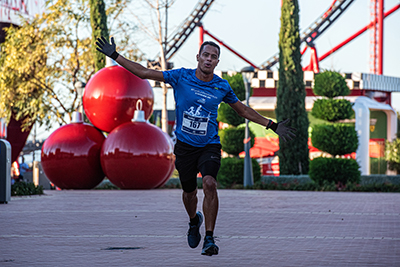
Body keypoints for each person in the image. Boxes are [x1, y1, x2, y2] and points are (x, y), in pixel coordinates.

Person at [96, 37, 296, 256]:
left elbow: (242, 110)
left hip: (209, 145)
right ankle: (194, 220)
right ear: (198, 57)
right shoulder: (180, 76)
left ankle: (209, 238)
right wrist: (115, 56)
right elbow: (144, 73)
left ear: (217, 62)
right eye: (206, 55)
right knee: (189, 193)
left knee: (210, 183)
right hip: (185, 147)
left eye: (213, 57)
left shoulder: (221, 86)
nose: (209, 60)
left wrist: (272, 125)